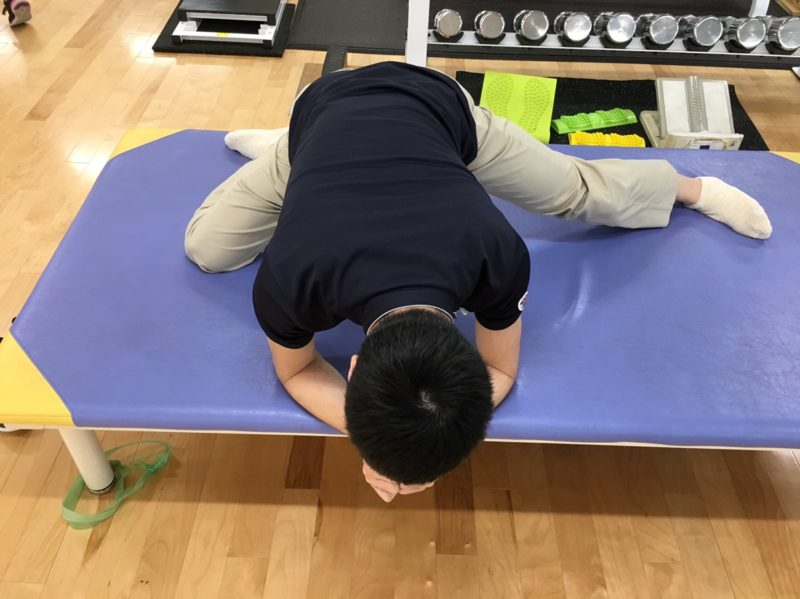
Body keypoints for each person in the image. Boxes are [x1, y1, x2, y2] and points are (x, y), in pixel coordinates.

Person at [184, 62, 771, 502]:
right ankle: (284, 148)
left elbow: (500, 372)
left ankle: (691, 189)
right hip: (324, 117)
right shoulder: (292, 276)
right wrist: (386, 441)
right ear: (355, 368)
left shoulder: (496, 253)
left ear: (354, 369)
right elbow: (301, 372)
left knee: (573, 193)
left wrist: (389, 442)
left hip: (440, 118)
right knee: (207, 251)